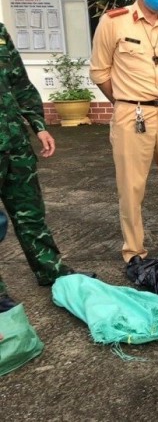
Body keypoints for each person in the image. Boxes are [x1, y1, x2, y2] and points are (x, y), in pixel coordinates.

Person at [90, 0, 158, 264]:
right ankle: (134, 251)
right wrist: (125, 101)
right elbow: (100, 72)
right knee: (132, 187)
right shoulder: (114, 22)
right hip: (132, 115)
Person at [0, 23, 94, 301]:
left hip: (14, 143)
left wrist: (39, 125)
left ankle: (50, 270)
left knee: (30, 212)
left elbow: (19, 82)